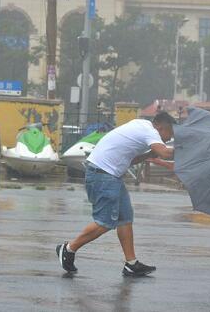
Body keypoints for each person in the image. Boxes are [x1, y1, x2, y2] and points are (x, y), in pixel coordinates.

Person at [57, 112, 175, 276]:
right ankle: (69, 248)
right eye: (171, 134)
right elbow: (166, 153)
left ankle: (131, 263)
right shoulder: (150, 132)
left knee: (124, 218)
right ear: (162, 127)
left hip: (109, 175)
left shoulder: (141, 126)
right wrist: (188, 150)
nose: (169, 139)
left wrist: (148, 155)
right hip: (103, 175)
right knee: (105, 222)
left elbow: (129, 160)